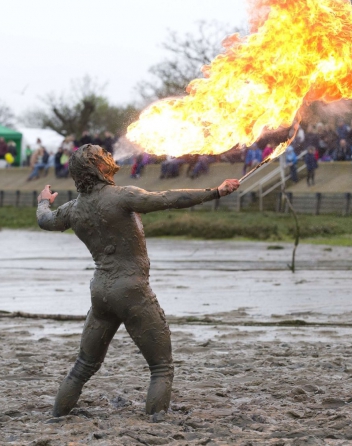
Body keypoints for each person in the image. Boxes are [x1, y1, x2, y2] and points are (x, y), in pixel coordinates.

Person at [37, 145, 239, 417]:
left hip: (101, 292)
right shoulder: (123, 196)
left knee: (83, 367)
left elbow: (45, 220)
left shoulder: (73, 209)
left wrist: (43, 200)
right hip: (131, 289)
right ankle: (157, 422)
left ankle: (56, 418)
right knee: (161, 368)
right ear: (99, 167)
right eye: (103, 154)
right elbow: (169, 198)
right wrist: (216, 191)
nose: (109, 155)